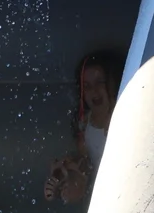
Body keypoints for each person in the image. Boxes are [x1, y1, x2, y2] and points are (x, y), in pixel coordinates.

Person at [44, 50, 124, 204]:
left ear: (112, 83)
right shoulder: (84, 124)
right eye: (87, 86)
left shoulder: (123, 114)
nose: (94, 91)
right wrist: (67, 174)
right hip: (106, 194)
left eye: (99, 83)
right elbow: (86, 163)